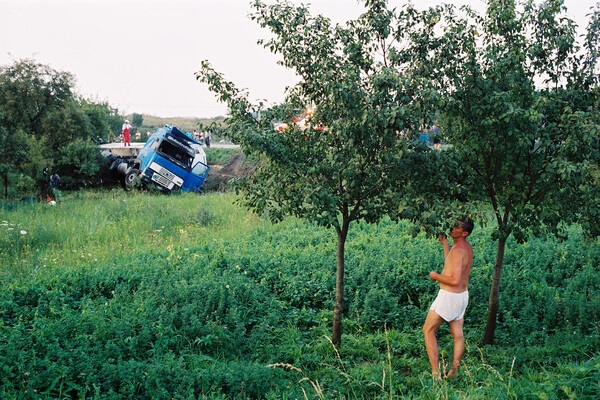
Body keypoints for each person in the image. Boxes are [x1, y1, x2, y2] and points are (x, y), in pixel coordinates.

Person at [423, 216, 474, 380]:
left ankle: (436, 373)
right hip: (461, 297)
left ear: (464, 233)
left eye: (457, 227)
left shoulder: (459, 250)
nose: (452, 228)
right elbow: (450, 264)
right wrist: (445, 244)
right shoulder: (463, 247)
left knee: (428, 330)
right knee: (457, 333)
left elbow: (454, 279)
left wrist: (436, 276)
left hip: (449, 296)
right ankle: (453, 372)